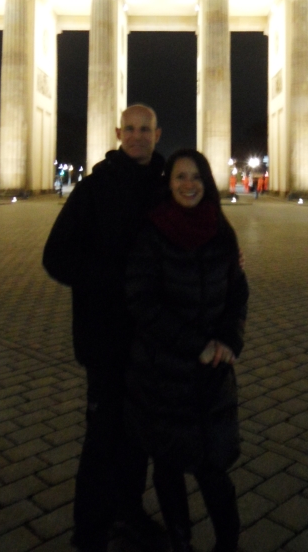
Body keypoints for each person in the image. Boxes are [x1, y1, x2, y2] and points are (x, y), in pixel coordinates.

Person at [42, 104, 167, 552]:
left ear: (157, 134)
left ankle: (128, 513)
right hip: (105, 337)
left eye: (144, 129)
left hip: (150, 339)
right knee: (101, 438)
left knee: (137, 437)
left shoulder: (166, 188)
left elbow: (197, 233)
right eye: (129, 129)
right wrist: (109, 281)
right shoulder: (93, 188)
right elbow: (55, 256)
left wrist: (229, 257)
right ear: (118, 133)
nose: (137, 136)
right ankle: (89, 531)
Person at [125, 149, 249, 552]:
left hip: (211, 375)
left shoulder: (222, 230)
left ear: (206, 181)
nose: (188, 184)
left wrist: (229, 339)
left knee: (213, 468)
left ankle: (227, 544)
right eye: (180, 176)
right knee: (168, 465)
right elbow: (142, 301)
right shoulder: (152, 232)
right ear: (169, 183)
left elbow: (238, 292)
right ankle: (180, 541)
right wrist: (197, 344)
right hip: (164, 373)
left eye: (196, 176)